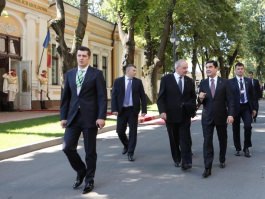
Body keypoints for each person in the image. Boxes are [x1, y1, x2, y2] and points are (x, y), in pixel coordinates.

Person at [60, 46, 107, 194]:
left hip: (90, 118)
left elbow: (101, 97)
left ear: (89, 57)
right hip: (73, 117)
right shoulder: (70, 74)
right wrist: (63, 116)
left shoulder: (97, 74)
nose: (81, 58)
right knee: (67, 147)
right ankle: (81, 171)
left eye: (84, 56)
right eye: (79, 55)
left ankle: (89, 180)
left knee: (90, 151)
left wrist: (101, 116)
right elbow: (66, 97)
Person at [157, 59, 196, 170]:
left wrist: (191, 109)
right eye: (184, 68)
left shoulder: (189, 81)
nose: (186, 70)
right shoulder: (166, 79)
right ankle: (177, 158)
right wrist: (162, 111)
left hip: (185, 115)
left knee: (185, 139)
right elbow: (161, 98)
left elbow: (193, 97)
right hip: (171, 115)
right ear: (177, 68)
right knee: (174, 139)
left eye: (186, 68)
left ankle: (187, 161)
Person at [198, 60, 234, 178]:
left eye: (210, 67)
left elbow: (230, 100)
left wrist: (230, 114)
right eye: (206, 67)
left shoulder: (225, 82)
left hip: (221, 116)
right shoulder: (203, 83)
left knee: (222, 139)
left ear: (216, 68)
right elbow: (199, 101)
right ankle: (207, 167)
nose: (208, 69)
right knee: (207, 141)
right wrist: (200, 98)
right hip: (207, 117)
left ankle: (222, 158)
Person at [111, 64, 147, 162]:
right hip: (121, 110)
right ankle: (126, 145)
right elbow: (114, 96)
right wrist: (114, 109)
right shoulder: (118, 81)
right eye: (134, 70)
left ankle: (130, 152)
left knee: (133, 132)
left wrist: (144, 110)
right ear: (128, 71)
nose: (135, 72)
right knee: (120, 131)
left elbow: (143, 97)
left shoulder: (138, 82)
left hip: (133, 110)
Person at [229, 63, 257, 158]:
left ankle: (246, 147)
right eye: (238, 69)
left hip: (246, 107)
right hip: (235, 108)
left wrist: (254, 108)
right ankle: (238, 148)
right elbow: (228, 98)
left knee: (248, 126)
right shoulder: (230, 82)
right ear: (235, 70)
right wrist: (229, 112)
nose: (240, 70)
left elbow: (253, 96)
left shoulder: (248, 81)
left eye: (241, 69)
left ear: (243, 70)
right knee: (235, 129)